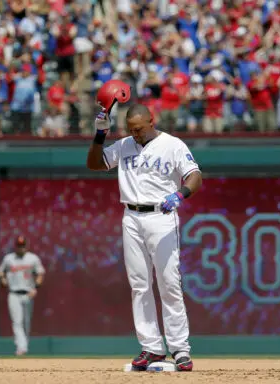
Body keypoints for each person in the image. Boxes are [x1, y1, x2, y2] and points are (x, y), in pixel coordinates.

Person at [86, 103, 202, 372]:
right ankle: (151, 347)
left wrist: (179, 195)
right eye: (131, 129)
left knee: (169, 283)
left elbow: (195, 176)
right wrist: (100, 134)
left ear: (152, 121)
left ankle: (180, 349)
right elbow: (94, 164)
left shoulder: (172, 144)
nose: (135, 134)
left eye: (139, 129)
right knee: (139, 285)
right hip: (132, 216)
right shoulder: (125, 144)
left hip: (162, 215)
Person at [0, 236, 45, 356]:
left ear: (26, 246)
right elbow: (0, 270)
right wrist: (2, 279)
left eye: (23, 245)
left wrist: (35, 288)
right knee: (16, 321)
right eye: (19, 245)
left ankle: (24, 346)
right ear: (15, 246)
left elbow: (40, 273)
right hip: (13, 293)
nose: (21, 247)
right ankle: (21, 347)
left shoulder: (32, 258)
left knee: (26, 322)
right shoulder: (9, 258)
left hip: (28, 293)